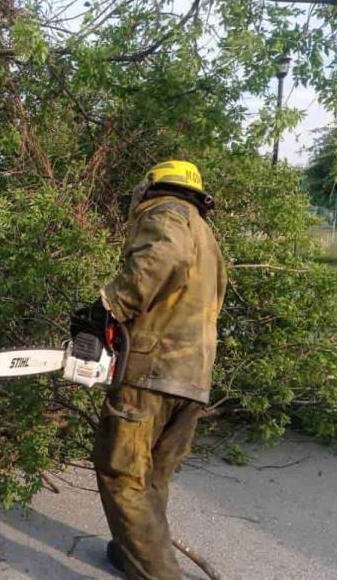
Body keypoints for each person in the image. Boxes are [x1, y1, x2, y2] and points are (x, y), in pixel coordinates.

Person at [94, 160, 227, 580]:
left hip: (150, 372)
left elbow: (159, 257)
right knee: (150, 477)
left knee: (122, 473)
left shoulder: (166, 212)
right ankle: (131, 552)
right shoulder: (207, 236)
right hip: (193, 376)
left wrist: (109, 307)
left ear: (152, 186)